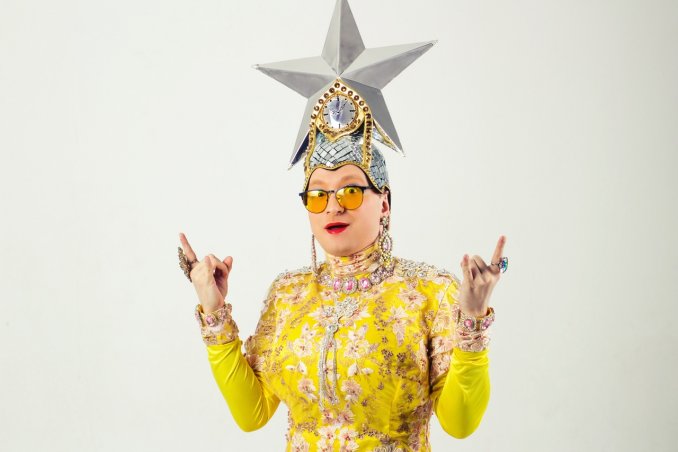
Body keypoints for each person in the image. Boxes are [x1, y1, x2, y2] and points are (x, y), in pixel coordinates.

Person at [177, 1, 508, 450]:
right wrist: (213, 310)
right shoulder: (288, 294)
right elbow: (252, 413)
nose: (333, 206)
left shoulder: (429, 292)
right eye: (318, 194)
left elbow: (461, 423)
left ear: (384, 201)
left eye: (351, 191)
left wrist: (471, 320)